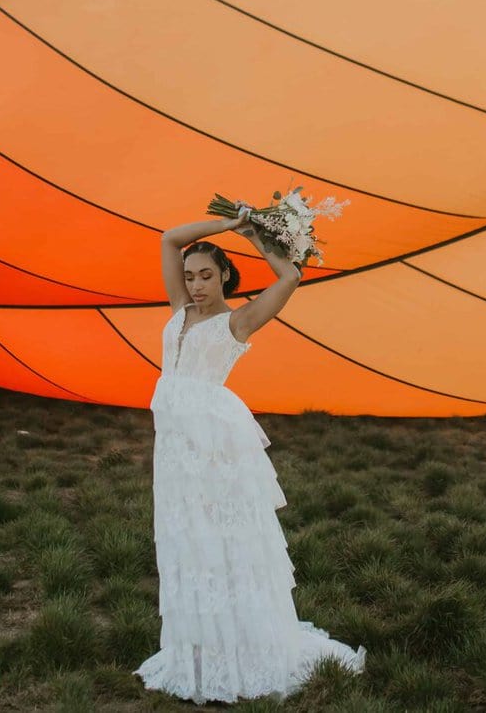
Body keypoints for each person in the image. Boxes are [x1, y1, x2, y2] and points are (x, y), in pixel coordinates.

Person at [133, 206, 367, 704]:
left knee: (222, 539)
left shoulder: (238, 322)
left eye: (206, 276)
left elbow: (291, 276)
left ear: (224, 277)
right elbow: (169, 236)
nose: (195, 285)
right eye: (191, 276)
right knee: (186, 540)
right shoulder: (179, 311)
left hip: (214, 448)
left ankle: (241, 647)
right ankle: (198, 648)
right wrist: (225, 224)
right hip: (174, 449)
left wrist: (259, 234)